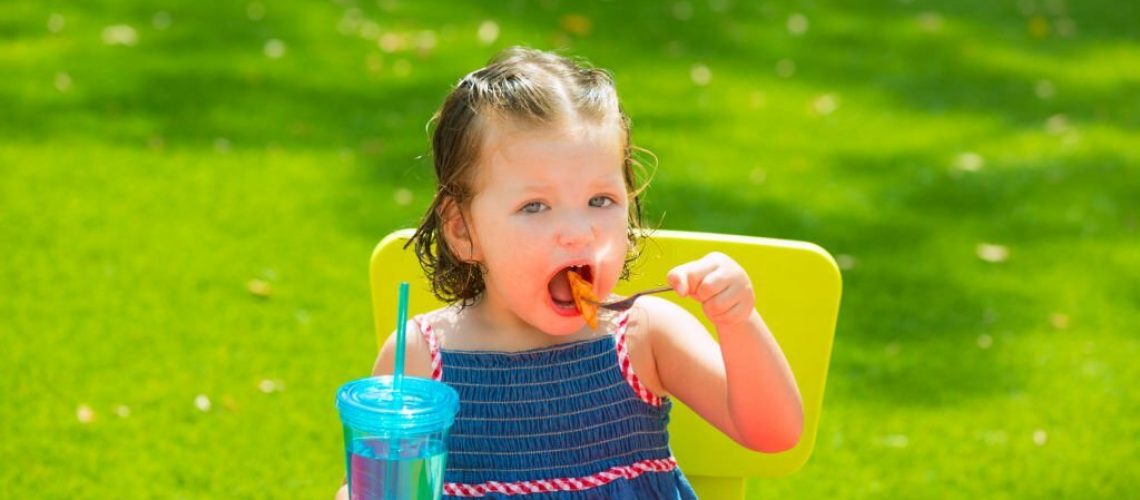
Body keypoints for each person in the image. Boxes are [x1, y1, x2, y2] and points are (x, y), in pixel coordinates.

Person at [337, 46, 802, 499]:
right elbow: (374, 485)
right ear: (464, 231)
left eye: (600, 201)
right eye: (535, 206)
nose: (578, 233)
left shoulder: (645, 336)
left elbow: (771, 432)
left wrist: (738, 321)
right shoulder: (421, 356)